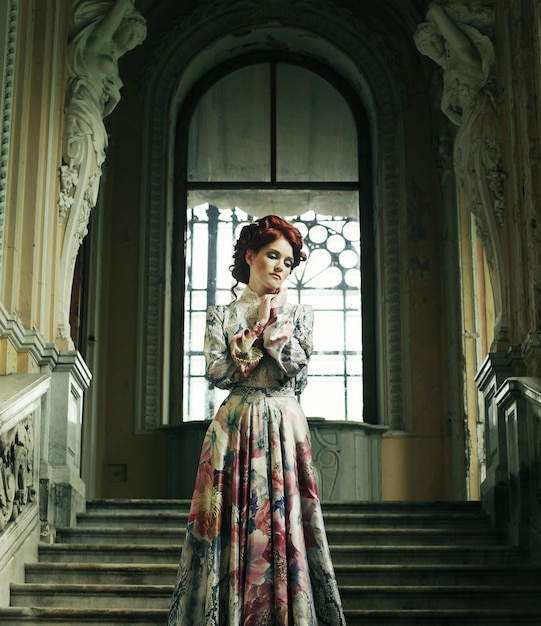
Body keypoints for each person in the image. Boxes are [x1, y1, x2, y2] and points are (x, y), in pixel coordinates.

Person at [167, 215, 346, 625]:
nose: (282, 266)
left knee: (285, 527)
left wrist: (272, 325)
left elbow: (295, 371)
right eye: (273, 255)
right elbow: (218, 373)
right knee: (223, 526)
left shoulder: (300, 315)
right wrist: (252, 329)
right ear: (251, 256)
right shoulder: (221, 315)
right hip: (233, 428)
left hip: (283, 428)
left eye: (289, 260)